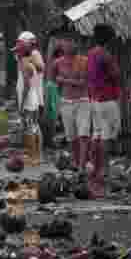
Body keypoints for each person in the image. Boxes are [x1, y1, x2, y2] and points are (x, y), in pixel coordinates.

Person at [87, 24, 122, 197]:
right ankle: (103, 170)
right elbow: (116, 74)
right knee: (106, 136)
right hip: (107, 99)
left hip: (95, 99)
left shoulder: (91, 54)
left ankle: (95, 167)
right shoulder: (106, 55)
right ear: (109, 38)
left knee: (97, 134)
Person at [53, 38, 90, 170]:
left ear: (77, 44)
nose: (69, 45)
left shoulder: (84, 61)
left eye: (72, 42)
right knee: (71, 136)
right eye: (67, 42)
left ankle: (82, 164)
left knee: (83, 134)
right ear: (62, 45)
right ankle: (75, 161)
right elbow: (54, 82)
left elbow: (84, 82)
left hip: (82, 101)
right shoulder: (57, 63)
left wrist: (65, 80)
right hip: (66, 102)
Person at [15, 31, 46, 156]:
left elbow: (27, 84)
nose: (16, 53)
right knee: (33, 126)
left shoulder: (30, 59)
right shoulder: (28, 60)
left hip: (29, 97)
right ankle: (35, 153)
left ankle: (35, 154)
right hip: (31, 95)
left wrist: (21, 104)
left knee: (31, 127)